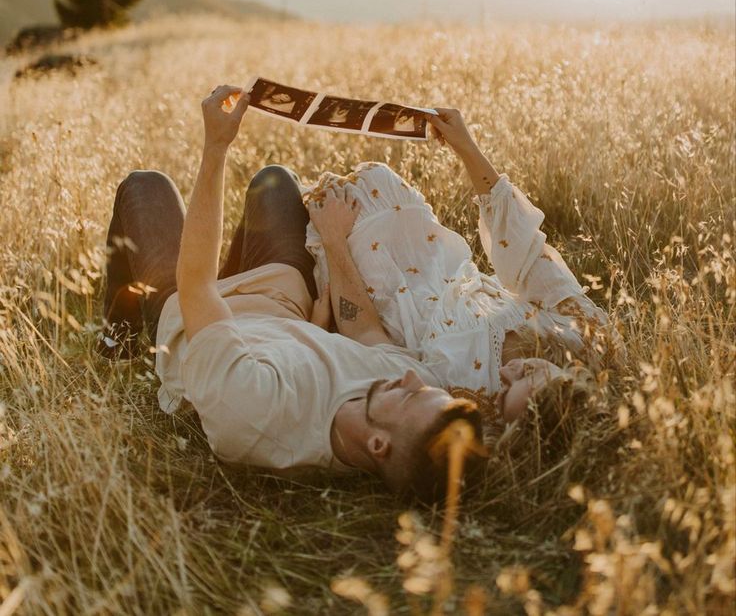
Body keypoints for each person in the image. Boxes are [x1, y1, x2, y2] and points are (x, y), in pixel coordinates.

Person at [99, 86, 484, 503]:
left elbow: (198, 285)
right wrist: (335, 242)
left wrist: (216, 147)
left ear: (378, 445)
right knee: (275, 179)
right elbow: (365, 329)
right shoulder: (416, 386)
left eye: (409, 395)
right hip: (281, 298)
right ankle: (244, 257)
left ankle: (115, 341)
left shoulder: (256, 413)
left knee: (145, 185)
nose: (412, 377)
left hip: (189, 310)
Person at [303, 108, 615, 426]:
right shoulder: (583, 338)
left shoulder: (461, 403)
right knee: (377, 176)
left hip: (362, 272)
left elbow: (367, 336)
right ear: (571, 378)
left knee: (278, 185)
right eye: (527, 371)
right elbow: (524, 249)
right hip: (426, 247)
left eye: (504, 392)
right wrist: (464, 145)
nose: (506, 373)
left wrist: (333, 239)